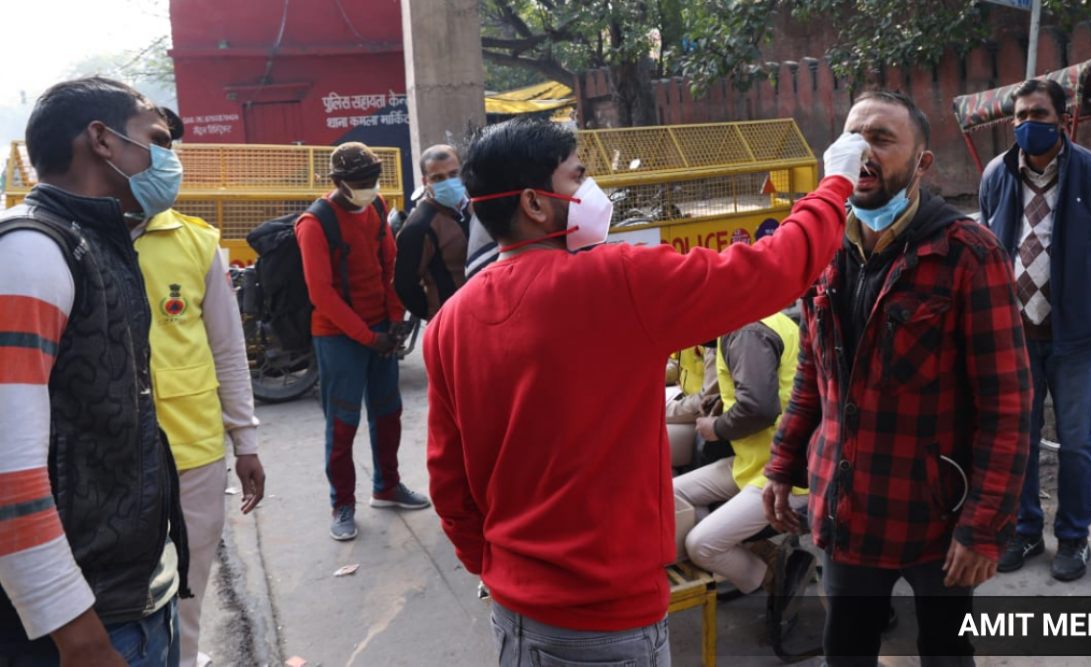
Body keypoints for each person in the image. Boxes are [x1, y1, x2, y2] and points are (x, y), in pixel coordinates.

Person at [424, 117, 867, 665]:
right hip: (606, 618)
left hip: (516, 610)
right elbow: (770, 269)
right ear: (535, 204)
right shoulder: (614, 282)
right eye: (577, 177)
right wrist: (834, 186)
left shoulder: (449, 323)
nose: (591, 191)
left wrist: (498, 568)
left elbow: (449, 483)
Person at [762, 91, 1032, 664]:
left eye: (882, 140)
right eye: (853, 138)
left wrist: (984, 528)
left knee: (945, 652)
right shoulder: (822, 245)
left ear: (922, 163)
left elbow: (1007, 406)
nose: (863, 152)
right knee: (846, 649)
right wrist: (783, 464)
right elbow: (813, 371)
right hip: (846, 509)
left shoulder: (967, 253)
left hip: (936, 515)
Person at [0, 76, 191, 666]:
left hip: (130, 603)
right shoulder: (32, 252)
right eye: (157, 139)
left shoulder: (96, 241)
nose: (170, 160)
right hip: (83, 629)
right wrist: (75, 632)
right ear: (103, 140)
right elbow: (8, 466)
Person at [979, 79, 1091, 582]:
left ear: (1062, 120)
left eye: (1040, 114)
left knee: (1075, 444)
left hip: (1076, 339)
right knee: (1018, 440)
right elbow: (989, 243)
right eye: (1021, 115)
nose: (1029, 124)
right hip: (1015, 337)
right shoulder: (996, 175)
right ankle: (1025, 531)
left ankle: (1073, 538)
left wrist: (1083, 292)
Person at [132, 109, 266, 667]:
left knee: (190, 582)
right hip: (113, 459)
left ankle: (183, 657)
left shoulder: (196, 242)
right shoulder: (66, 241)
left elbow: (228, 351)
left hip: (194, 452)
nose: (167, 159)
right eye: (155, 144)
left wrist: (245, 441)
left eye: (170, 145)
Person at [297, 142, 429, 543]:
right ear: (338, 182)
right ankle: (342, 505)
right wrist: (368, 337)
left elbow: (388, 266)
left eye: (373, 179)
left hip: (379, 329)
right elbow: (322, 295)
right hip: (339, 336)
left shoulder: (376, 206)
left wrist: (394, 321)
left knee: (388, 412)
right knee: (343, 423)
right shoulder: (314, 223)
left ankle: (386, 487)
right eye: (360, 181)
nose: (369, 186)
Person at [675, 312, 805, 594]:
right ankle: (761, 553)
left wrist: (716, 427)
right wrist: (723, 404)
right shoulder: (748, 322)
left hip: (785, 472)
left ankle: (775, 577)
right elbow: (765, 392)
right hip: (756, 461)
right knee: (675, 495)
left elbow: (759, 408)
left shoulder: (746, 332)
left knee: (700, 546)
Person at [394, 144, 471, 320]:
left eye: (453, 174)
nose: (448, 182)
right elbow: (405, 286)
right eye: (438, 178)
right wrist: (436, 315)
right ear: (425, 182)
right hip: (451, 320)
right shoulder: (418, 227)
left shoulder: (475, 206)